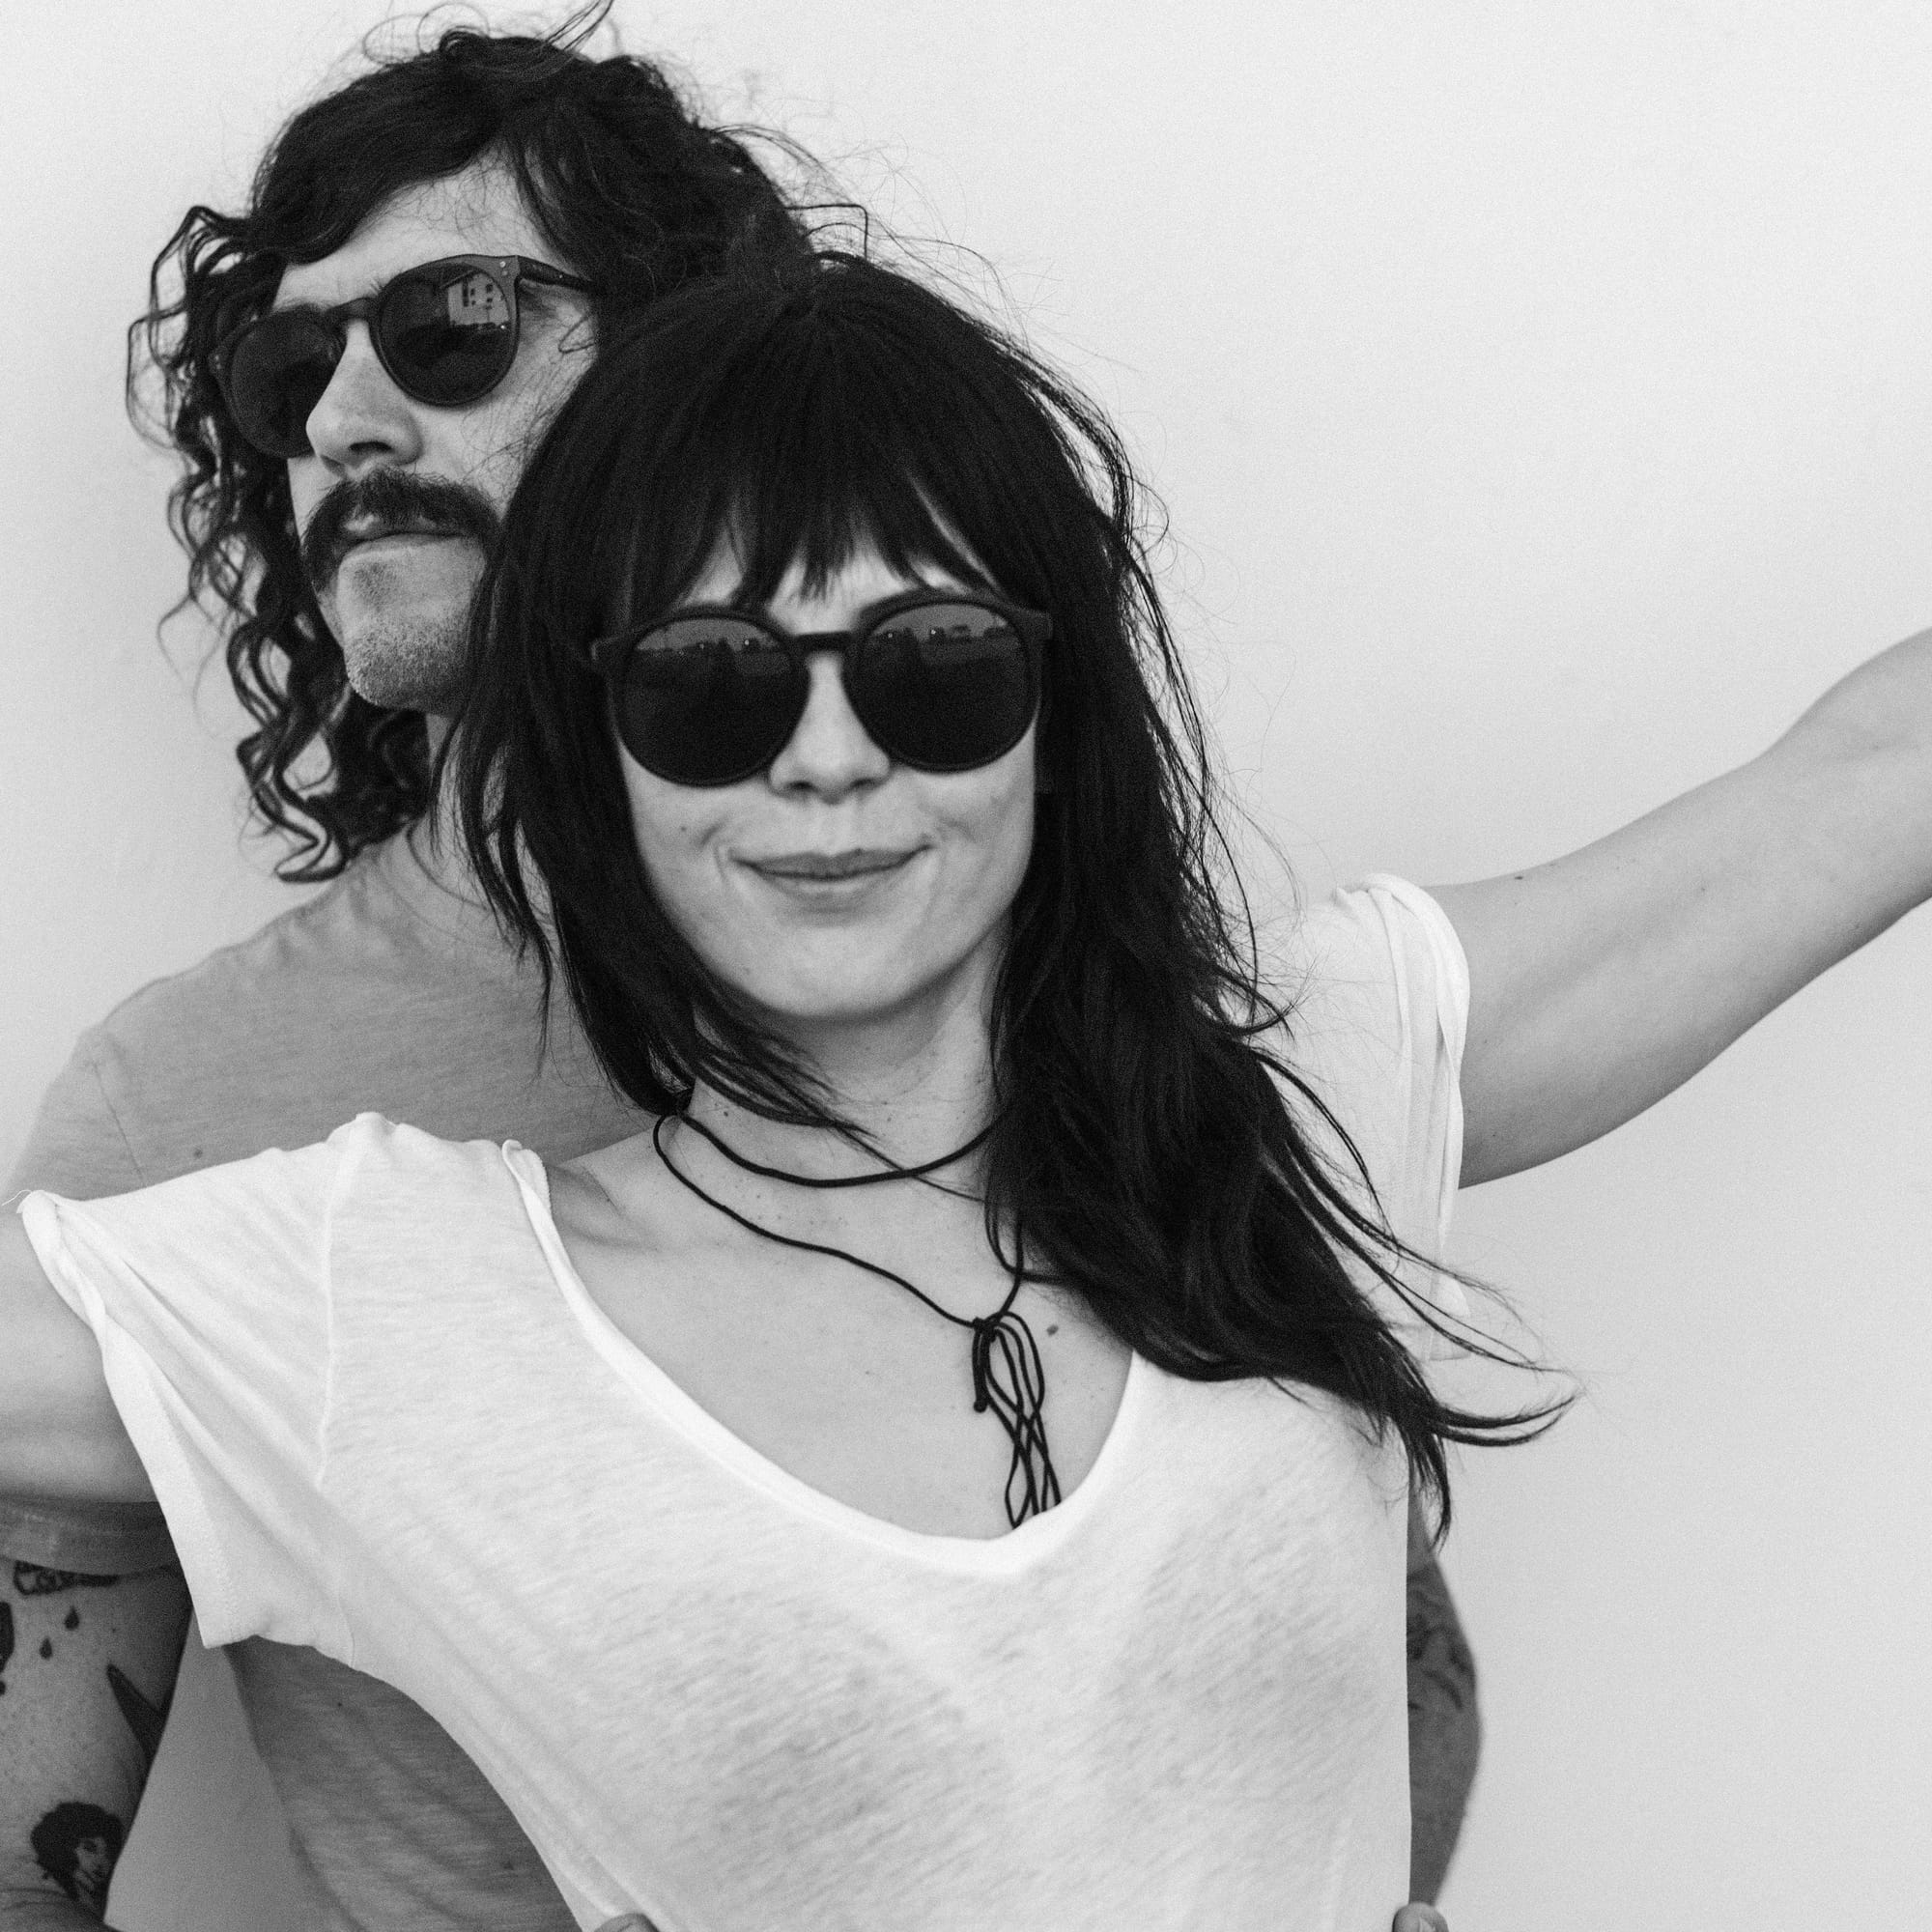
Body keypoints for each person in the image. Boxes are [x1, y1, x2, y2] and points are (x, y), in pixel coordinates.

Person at [5, 250, 1929, 1929]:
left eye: (929, 663)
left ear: (1052, 708)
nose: (827, 757)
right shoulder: (395, 1308)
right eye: (712, 681)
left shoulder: (1290, 1086)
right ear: (602, 753)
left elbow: (1866, 773)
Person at [0, 19, 1479, 1932]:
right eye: (292, 372)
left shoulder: (992, 937)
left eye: (451, 327)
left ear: (690, 365)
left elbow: (1369, 1636)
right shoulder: (187, 1106)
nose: (345, 421)